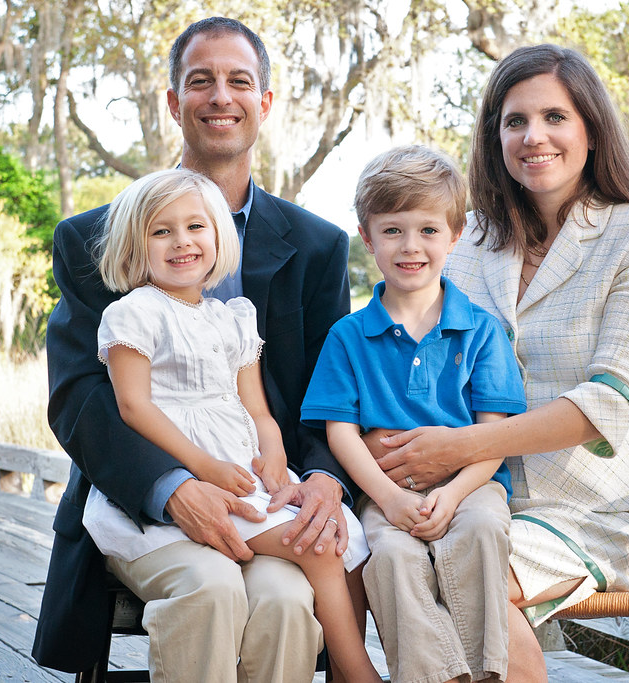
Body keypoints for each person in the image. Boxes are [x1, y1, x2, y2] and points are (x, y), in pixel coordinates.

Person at [32, 17, 359, 682]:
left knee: (289, 599)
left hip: (265, 496)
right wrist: (174, 486)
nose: (220, 97)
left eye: (239, 81)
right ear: (174, 102)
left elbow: (332, 386)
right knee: (209, 588)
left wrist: (324, 474)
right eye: (200, 81)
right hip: (141, 496)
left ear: (264, 104)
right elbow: (81, 398)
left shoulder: (318, 245)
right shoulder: (95, 238)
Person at [367, 45, 629, 680]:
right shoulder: (465, 240)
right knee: (394, 564)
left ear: (591, 131)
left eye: (555, 117)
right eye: (515, 121)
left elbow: (609, 402)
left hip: (605, 509)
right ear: (495, 138)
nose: (533, 136)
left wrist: (459, 445)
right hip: (473, 497)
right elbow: (400, 353)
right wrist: (385, 436)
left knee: (458, 583)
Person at [80, 167, 380, 681]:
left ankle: (351, 671)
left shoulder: (233, 317)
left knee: (331, 540)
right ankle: (357, 672)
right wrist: (200, 467)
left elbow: (257, 410)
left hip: (241, 472)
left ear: (220, 238)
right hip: (183, 485)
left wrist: (277, 459)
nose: (182, 242)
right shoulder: (135, 314)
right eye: (161, 230)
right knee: (319, 547)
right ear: (136, 244)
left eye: (196, 227)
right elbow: (135, 408)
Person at [301, 145, 529, 683]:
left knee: (482, 534)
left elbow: (492, 438)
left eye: (428, 230)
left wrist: (451, 494)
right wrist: (390, 499)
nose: (411, 246)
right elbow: (341, 432)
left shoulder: (480, 330)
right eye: (393, 230)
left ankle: (486, 673)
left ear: (455, 235)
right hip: (385, 491)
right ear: (368, 236)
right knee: (390, 554)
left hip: (473, 487)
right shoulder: (348, 337)